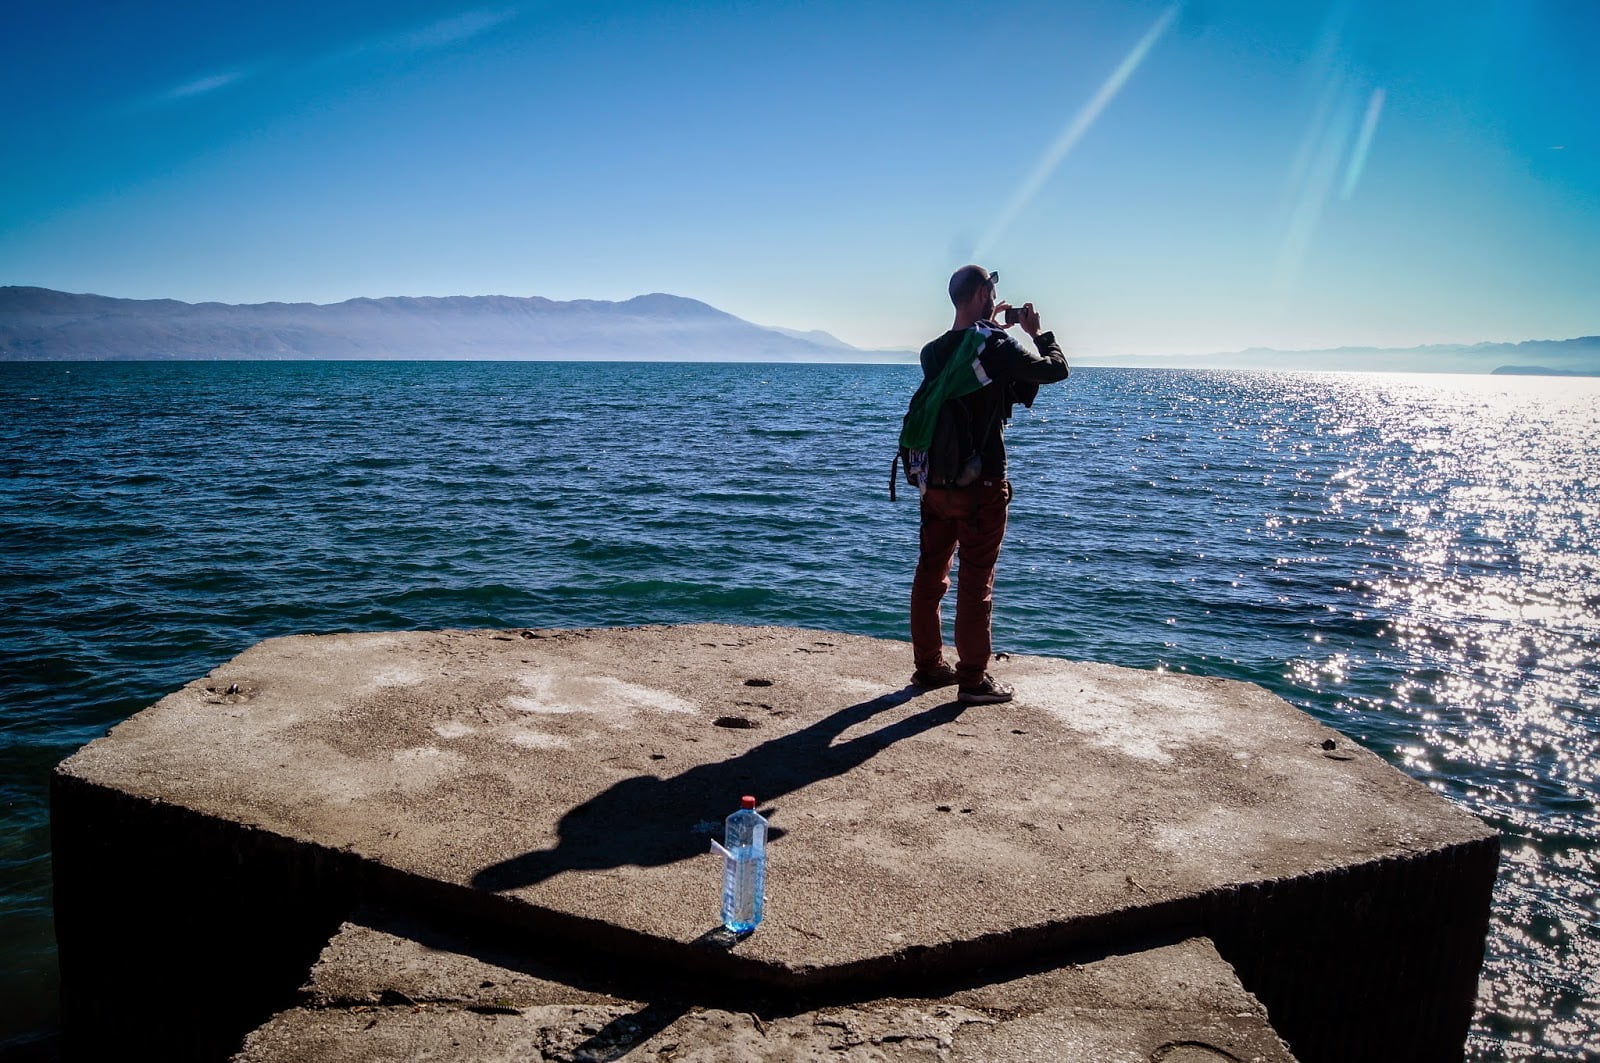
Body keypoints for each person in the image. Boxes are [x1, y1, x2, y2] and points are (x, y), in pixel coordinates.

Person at [910, 265, 1070, 704]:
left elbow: (972, 359)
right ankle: (974, 680)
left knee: (930, 575)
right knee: (975, 582)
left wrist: (991, 328)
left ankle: (928, 668)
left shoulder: (933, 352)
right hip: (981, 485)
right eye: (993, 290)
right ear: (983, 293)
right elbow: (1054, 371)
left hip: (934, 483)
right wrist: (1037, 333)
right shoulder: (996, 346)